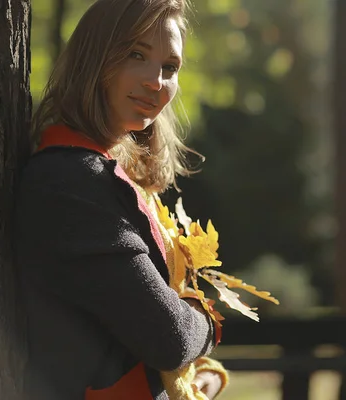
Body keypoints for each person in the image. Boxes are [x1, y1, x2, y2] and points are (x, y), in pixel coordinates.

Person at [13, 0, 228, 398]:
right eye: (135, 54)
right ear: (95, 58)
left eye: (170, 67)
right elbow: (169, 338)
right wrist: (206, 316)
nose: (156, 81)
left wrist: (202, 377)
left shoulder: (106, 173)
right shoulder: (70, 180)